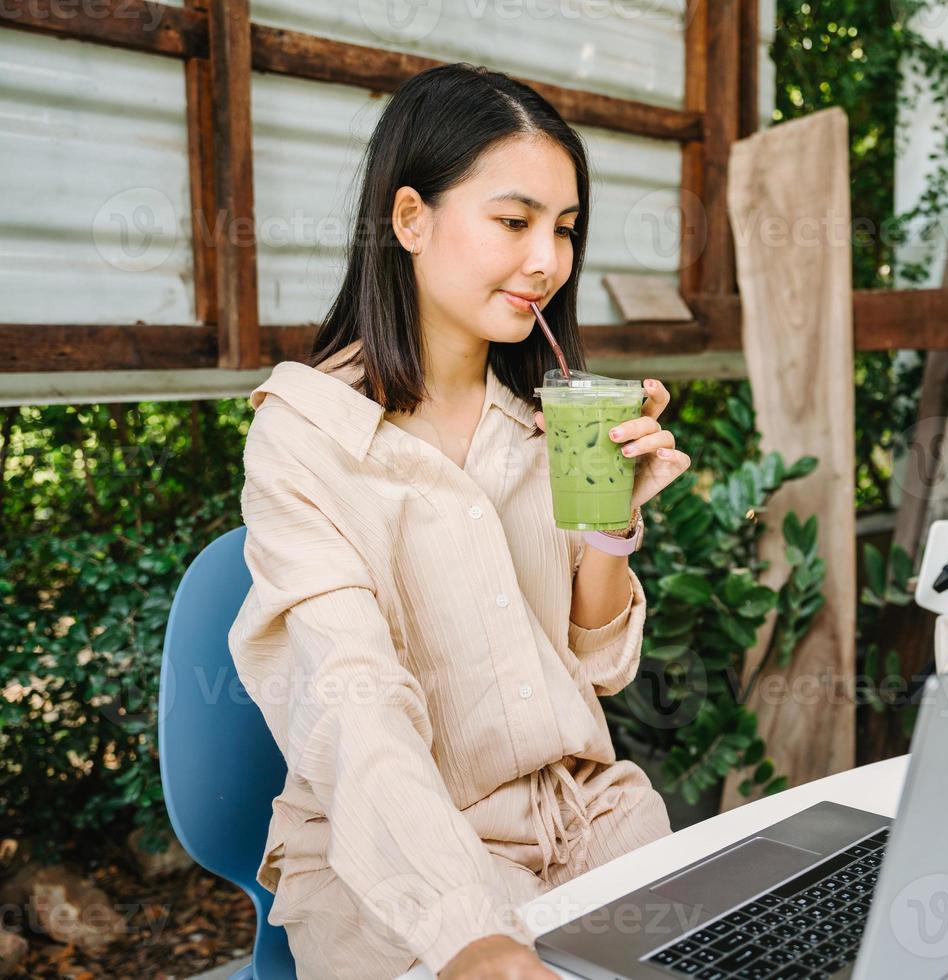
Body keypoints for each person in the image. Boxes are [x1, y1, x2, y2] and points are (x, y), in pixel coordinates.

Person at [227, 62, 691, 979]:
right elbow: (356, 708)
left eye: (563, 230)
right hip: (401, 860)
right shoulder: (305, 439)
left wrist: (609, 525)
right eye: (514, 223)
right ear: (410, 220)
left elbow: (593, 667)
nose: (547, 261)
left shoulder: (539, 423)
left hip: (581, 816)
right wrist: (467, 934)